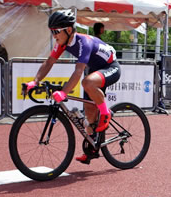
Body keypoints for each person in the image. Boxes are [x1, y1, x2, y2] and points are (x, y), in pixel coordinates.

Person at [26, 9, 119, 164]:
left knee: (87, 82)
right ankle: (92, 149)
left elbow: (78, 71)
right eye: (52, 32)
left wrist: (63, 92)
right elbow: (49, 62)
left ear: (69, 30)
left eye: (56, 31)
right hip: (95, 71)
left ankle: (105, 113)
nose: (54, 35)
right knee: (89, 114)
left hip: (111, 67)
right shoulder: (62, 43)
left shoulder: (84, 42)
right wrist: (35, 81)